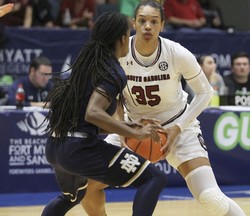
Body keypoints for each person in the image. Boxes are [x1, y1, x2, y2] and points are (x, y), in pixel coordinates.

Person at [82, 1, 246, 216]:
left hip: (178, 127)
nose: (147, 26)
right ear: (133, 23)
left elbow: (206, 93)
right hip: (134, 130)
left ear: (162, 25)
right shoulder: (120, 53)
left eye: (154, 21)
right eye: (142, 21)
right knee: (86, 188)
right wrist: (122, 127)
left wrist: (177, 128)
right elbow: (114, 95)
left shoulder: (177, 53)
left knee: (210, 197)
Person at [41, 11, 167, 216]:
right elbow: (93, 113)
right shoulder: (112, 70)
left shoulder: (87, 65)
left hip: (56, 146)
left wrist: (129, 127)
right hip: (78, 149)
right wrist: (135, 134)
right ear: (123, 38)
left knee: (71, 197)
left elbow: (87, 117)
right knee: (154, 179)